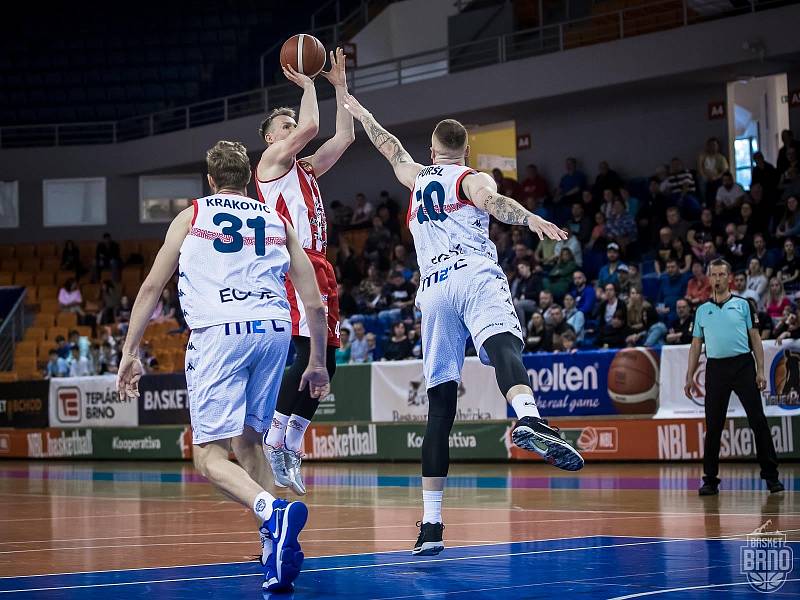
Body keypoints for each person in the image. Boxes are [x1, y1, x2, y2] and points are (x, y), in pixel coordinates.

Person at [343, 92, 584, 556]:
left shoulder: (415, 177)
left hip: (432, 289)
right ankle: (530, 418)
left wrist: (350, 102)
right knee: (503, 345)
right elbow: (491, 201)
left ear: (433, 152)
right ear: (465, 152)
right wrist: (530, 217)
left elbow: (386, 142)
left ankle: (431, 526)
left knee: (439, 407)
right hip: (472, 273)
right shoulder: (470, 177)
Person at [115, 140, 330, 593]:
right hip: (274, 330)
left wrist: (130, 351)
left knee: (208, 456)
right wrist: (316, 362)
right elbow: (313, 298)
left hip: (220, 331)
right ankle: (273, 548)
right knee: (249, 442)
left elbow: (154, 285)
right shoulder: (277, 219)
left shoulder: (192, 215)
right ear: (250, 178)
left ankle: (273, 512)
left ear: (210, 181)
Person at [256, 49, 353, 495]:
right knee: (303, 349)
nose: (294, 129)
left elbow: (344, 137)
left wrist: (338, 85)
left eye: (292, 124)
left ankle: (291, 443)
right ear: (270, 139)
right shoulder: (272, 164)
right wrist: (309, 83)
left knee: (327, 359)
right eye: (285, 126)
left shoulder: (306, 168)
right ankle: (274, 437)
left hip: (322, 264)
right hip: (294, 264)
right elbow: (313, 127)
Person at [685, 259, 782, 495]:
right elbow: (696, 345)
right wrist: (689, 377)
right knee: (714, 425)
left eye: (721, 274)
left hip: (742, 366)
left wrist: (760, 369)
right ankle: (710, 479)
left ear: (728, 278)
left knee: (757, 420)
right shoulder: (701, 310)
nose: (717, 278)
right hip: (715, 369)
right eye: (714, 275)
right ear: (709, 278)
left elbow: (756, 339)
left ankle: (771, 477)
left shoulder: (743, 305)